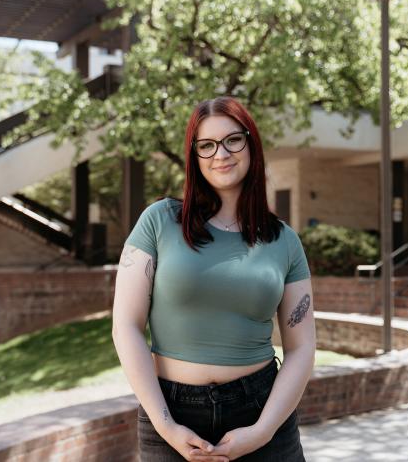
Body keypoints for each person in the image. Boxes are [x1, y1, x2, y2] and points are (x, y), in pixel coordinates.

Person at [112, 96, 315, 461]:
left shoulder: (283, 239)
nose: (221, 153)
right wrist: (166, 426)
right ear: (195, 155)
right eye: (207, 145)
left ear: (251, 143)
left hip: (261, 412)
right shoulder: (159, 221)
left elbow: (301, 347)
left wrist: (262, 431)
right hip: (171, 415)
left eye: (232, 140)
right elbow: (125, 325)